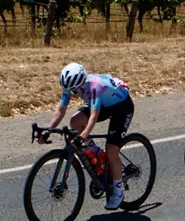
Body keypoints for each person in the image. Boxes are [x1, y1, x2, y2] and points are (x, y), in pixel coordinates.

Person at [46, 63, 133, 209]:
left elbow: (93, 117)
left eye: (73, 91)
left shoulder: (95, 86)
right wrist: (48, 130)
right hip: (104, 104)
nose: (71, 94)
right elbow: (60, 111)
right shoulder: (71, 86)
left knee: (111, 150)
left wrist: (82, 137)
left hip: (121, 106)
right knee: (76, 121)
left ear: (81, 84)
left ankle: (118, 193)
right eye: (67, 91)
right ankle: (97, 154)